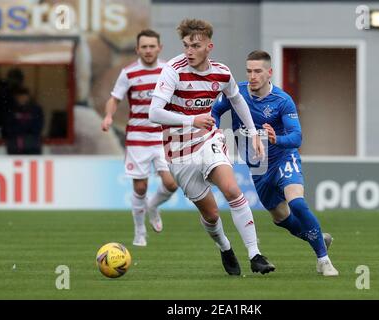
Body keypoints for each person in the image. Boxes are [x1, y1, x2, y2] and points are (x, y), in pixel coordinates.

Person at [149, 19, 275, 275]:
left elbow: (237, 100)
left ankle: (255, 255)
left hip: (208, 140)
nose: (189, 51)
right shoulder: (173, 70)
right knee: (211, 214)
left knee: (231, 189)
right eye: (186, 45)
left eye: (195, 46)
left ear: (209, 46)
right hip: (178, 153)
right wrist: (191, 119)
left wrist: (252, 133)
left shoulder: (221, 72)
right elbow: (154, 113)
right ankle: (225, 247)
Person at [212, 50, 339, 276]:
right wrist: (212, 129)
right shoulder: (236, 92)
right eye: (249, 71)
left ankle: (323, 260)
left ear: (269, 73)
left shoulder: (282, 101)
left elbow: (297, 137)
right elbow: (215, 110)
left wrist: (275, 139)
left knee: (297, 204)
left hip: (283, 158)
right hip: (259, 169)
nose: (252, 76)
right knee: (282, 219)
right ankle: (319, 238)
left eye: (258, 71)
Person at [101, 29, 178, 247]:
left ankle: (153, 207)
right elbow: (114, 99)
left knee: (171, 184)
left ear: (159, 48)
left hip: (162, 136)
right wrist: (108, 116)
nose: (148, 50)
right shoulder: (129, 73)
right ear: (137, 49)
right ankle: (140, 231)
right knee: (140, 188)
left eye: (152, 46)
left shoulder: (168, 70)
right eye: (144, 47)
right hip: (137, 137)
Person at [3, 87, 44, 155]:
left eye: (24, 96)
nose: (22, 99)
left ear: (28, 97)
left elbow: (38, 126)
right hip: (14, 145)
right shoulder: (11, 110)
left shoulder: (36, 109)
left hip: (32, 144)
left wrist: (25, 132)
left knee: (31, 163)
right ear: (16, 97)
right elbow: (7, 126)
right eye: (20, 97)